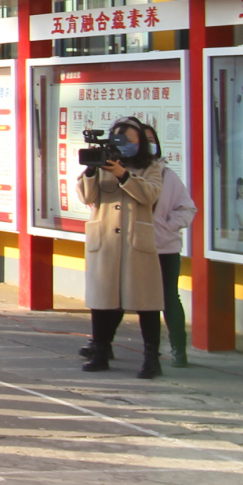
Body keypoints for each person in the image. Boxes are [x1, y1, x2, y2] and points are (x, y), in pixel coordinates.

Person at [77, 118, 169, 379]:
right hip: (105, 242)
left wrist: (123, 174)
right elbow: (87, 197)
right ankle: (101, 351)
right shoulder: (102, 162)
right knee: (103, 302)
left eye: (130, 140)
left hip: (135, 243)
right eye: (120, 140)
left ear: (140, 142)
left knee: (146, 303)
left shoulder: (151, 167)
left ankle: (151, 358)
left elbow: (150, 196)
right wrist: (92, 171)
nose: (125, 145)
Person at [146, 124, 195, 368]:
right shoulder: (121, 173)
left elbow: (187, 208)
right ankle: (103, 346)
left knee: (168, 298)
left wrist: (168, 226)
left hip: (164, 248)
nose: (147, 143)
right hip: (133, 249)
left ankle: (178, 349)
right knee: (126, 298)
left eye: (150, 139)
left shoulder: (167, 175)